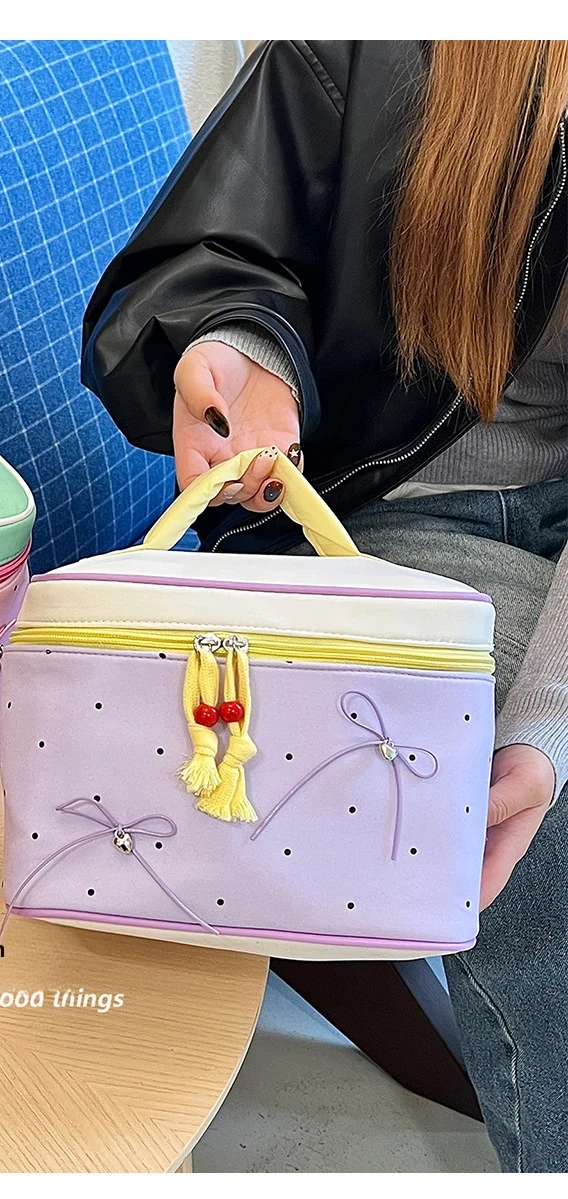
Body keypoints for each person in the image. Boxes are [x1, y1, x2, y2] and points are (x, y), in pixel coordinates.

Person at [81, 40, 567, 1173]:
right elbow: (216, 251)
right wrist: (239, 346)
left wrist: (551, 718)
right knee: (527, 821)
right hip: (389, 506)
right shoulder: (379, 42)